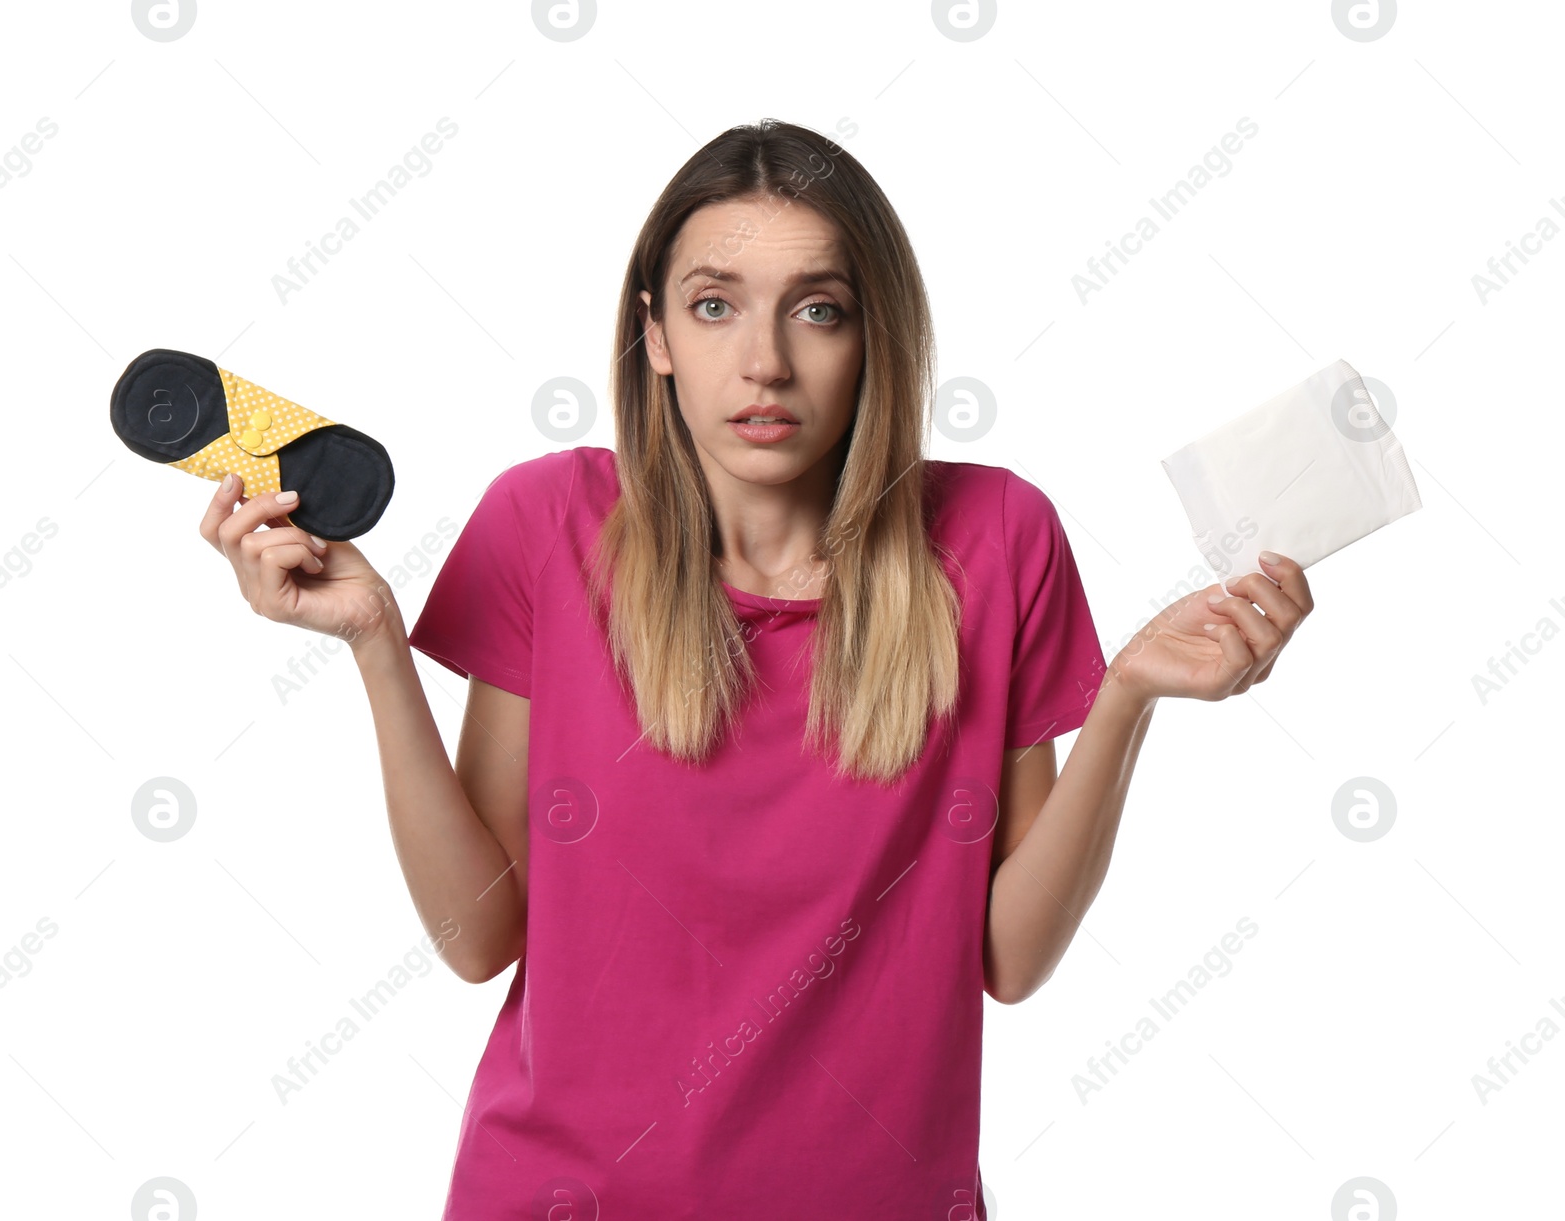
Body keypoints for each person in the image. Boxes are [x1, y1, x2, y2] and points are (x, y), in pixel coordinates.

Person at [198, 119, 1311, 1220]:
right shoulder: (546, 521)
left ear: (875, 336)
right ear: (659, 334)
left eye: (817, 310)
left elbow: (1010, 962)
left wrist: (1124, 700)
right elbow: (478, 940)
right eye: (715, 305)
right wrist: (375, 646)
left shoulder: (997, 537)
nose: (765, 361)